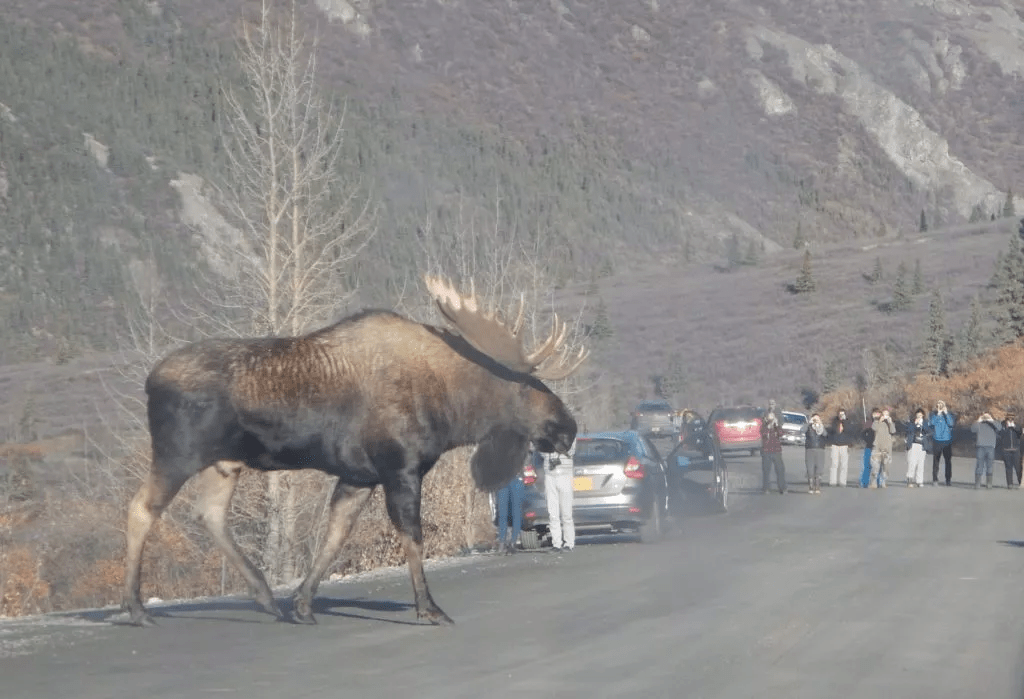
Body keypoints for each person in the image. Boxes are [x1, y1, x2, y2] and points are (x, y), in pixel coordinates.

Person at [539, 440, 576, 552]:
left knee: (566, 513)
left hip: (565, 474)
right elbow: (541, 450)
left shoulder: (569, 434)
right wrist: (549, 450)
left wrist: (558, 448)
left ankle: (569, 543)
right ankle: (556, 543)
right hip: (550, 474)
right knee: (552, 512)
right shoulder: (547, 433)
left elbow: (571, 450)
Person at [494, 462, 525, 555]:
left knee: (516, 513)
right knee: (502, 513)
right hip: (502, 480)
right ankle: (502, 543)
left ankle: (513, 543)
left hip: (516, 478)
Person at [929, 400, 956, 486]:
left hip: (946, 440)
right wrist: (938, 414)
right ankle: (935, 479)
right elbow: (931, 424)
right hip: (937, 440)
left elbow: (951, 423)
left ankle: (948, 479)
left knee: (948, 461)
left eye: (941, 405)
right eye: (938, 405)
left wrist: (946, 413)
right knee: (936, 461)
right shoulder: (933, 414)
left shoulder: (949, 414)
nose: (939, 407)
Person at [760, 410, 787, 494]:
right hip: (766, 451)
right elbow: (763, 434)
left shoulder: (777, 427)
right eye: (769, 418)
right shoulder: (763, 426)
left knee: (780, 470)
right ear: (766, 418)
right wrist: (768, 426)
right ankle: (766, 488)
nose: (771, 420)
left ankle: (782, 488)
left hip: (776, 451)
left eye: (773, 417)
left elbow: (781, 433)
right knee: (766, 471)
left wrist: (777, 425)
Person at [971, 412, 1000, 490]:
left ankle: (989, 483)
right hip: (980, 447)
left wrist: (991, 420)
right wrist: (979, 420)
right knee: (979, 465)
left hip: (990, 447)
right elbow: (973, 429)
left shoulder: (994, 424)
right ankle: (977, 483)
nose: (986, 417)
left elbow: (999, 428)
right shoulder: (979, 424)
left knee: (990, 466)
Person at [869, 407, 896, 488]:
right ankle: (873, 483)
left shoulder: (889, 423)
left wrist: (890, 422)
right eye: (883, 414)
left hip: (887, 449)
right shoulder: (876, 422)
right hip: (877, 448)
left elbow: (893, 431)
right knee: (875, 468)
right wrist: (880, 421)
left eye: (887, 415)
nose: (885, 416)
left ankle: (883, 482)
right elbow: (874, 428)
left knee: (886, 468)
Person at [828, 408, 854, 487]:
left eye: (843, 414)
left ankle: (843, 482)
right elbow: (832, 430)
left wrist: (844, 421)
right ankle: (833, 481)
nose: (841, 415)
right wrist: (838, 422)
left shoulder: (848, 421)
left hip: (844, 445)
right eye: (840, 414)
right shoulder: (834, 421)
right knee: (834, 464)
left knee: (844, 464)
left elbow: (849, 430)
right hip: (835, 445)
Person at [904, 407, 929, 488]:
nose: (919, 416)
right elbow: (909, 430)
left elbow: (928, 431)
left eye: (921, 415)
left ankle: (919, 481)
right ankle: (910, 479)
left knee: (920, 464)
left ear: (923, 416)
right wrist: (915, 424)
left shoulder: (926, 423)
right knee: (912, 462)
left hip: (922, 445)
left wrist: (921, 425)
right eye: (918, 415)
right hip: (913, 444)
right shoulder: (911, 423)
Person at [804, 413, 828, 494]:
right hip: (810, 449)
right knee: (810, 468)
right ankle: (811, 487)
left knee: (819, 468)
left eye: (817, 418)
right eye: (814, 418)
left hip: (820, 449)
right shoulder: (808, 427)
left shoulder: (821, 427)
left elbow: (825, 434)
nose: (815, 420)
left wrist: (820, 424)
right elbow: (802, 430)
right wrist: (809, 423)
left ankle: (817, 487)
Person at [999, 414, 1022, 489]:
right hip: (1006, 450)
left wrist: (1014, 427)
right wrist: (1006, 427)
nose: (1010, 420)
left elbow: (1020, 433)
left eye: (1012, 418)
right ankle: (1010, 484)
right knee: (1008, 467)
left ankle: (1020, 482)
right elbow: (1000, 434)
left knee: (1018, 467)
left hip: (1016, 449)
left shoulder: (1017, 425)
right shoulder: (1002, 425)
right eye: (1008, 419)